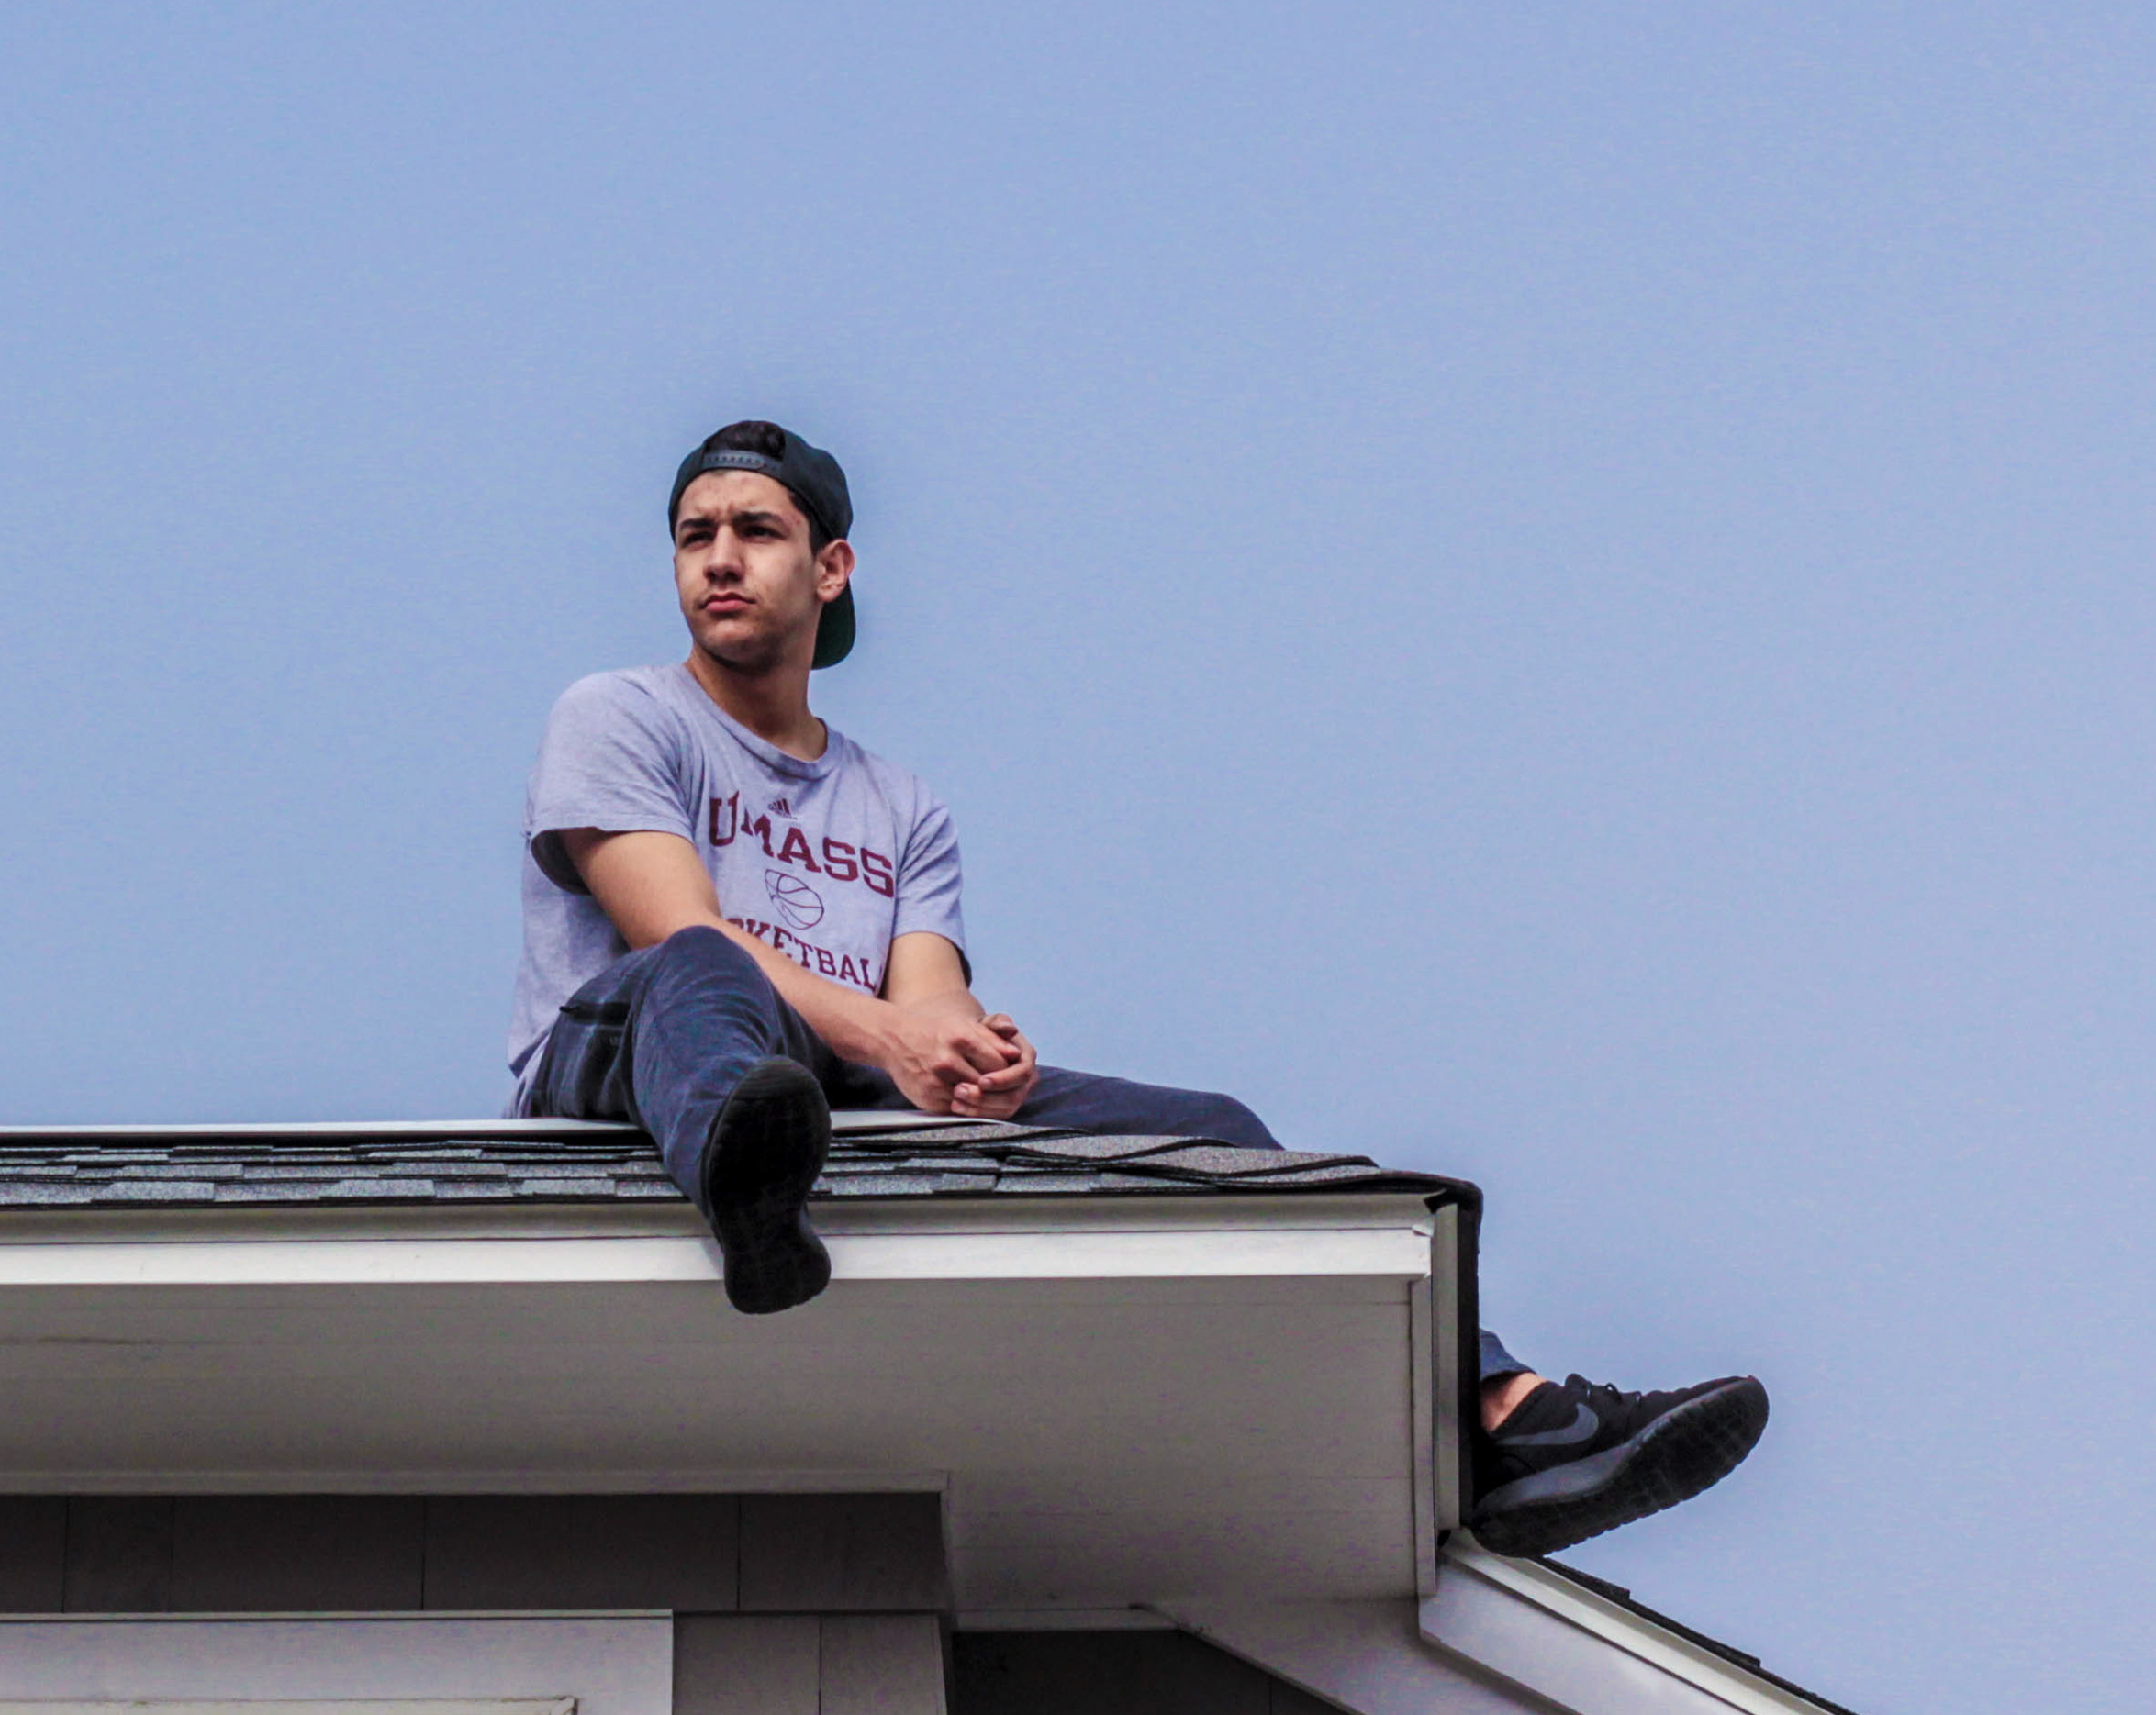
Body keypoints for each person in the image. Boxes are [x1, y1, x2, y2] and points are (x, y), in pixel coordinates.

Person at [509, 418, 1769, 1556]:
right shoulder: (619, 715)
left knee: (1215, 1131)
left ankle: (1507, 1425)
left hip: (835, 1091)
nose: (719, 559)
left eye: (754, 531)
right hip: (631, 1063)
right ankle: (744, 1183)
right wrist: (897, 1042)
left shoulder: (898, 804)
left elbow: (927, 1003)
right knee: (704, 970)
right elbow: (680, 929)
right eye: (695, 537)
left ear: (830, 567)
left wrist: (972, 1054)